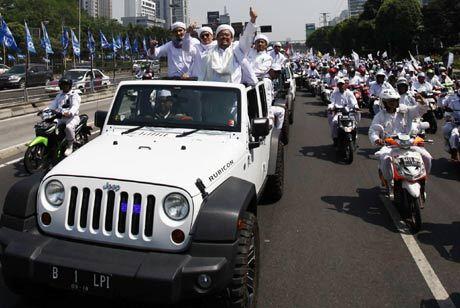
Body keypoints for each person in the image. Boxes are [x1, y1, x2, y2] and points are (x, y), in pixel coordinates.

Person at [368, 89, 431, 192]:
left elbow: (420, 110)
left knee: (427, 157)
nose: (394, 103)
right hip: (390, 145)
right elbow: (373, 130)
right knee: (385, 159)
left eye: (396, 100)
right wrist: (377, 139)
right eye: (391, 101)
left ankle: (422, 179)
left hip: (409, 143)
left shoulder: (405, 111)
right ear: (384, 103)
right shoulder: (379, 116)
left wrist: (422, 101)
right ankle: (389, 182)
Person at [198, 7, 258, 84]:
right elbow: (202, 73)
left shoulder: (238, 50)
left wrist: (253, 20)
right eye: (221, 35)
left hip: (233, 92)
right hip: (213, 91)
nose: (224, 37)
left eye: (227, 35)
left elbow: (246, 38)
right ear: (216, 37)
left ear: (232, 38)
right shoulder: (208, 52)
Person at [48, 78, 81, 156]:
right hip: (60, 117)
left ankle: (70, 146)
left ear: (69, 86)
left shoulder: (74, 95)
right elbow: (53, 105)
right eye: (63, 85)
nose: (64, 87)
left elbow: (75, 106)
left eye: (66, 85)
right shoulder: (59, 95)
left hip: (71, 118)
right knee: (51, 126)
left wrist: (69, 113)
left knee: (68, 127)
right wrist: (45, 111)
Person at [327, 78, 359, 146]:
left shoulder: (349, 93)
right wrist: (331, 107)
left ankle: (354, 139)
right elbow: (332, 102)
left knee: (354, 124)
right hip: (339, 112)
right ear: (337, 86)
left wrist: (355, 107)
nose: (341, 86)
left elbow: (354, 102)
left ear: (345, 85)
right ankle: (335, 138)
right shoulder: (335, 93)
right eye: (339, 84)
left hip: (349, 112)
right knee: (334, 122)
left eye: (342, 84)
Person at [442, 80, 460, 160]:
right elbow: (447, 114)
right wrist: (450, 118)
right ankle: (454, 151)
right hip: (456, 124)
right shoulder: (453, 102)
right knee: (453, 134)